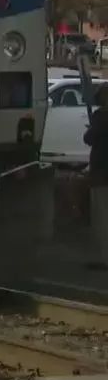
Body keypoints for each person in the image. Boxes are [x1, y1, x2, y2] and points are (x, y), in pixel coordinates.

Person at [82, 85, 108, 270]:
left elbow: (89, 138)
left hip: (102, 173)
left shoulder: (101, 116)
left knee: (102, 218)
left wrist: (92, 127)